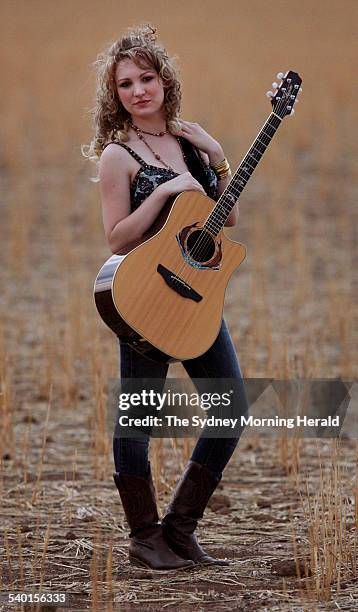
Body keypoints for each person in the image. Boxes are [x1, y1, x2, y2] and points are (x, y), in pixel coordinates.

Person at [84, 24, 249, 571]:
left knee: (231, 410)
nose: (138, 91)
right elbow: (116, 238)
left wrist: (220, 159)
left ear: (163, 80)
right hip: (146, 296)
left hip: (197, 298)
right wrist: (161, 191)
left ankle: (179, 529)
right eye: (125, 83)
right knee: (138, 418)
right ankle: (142, 535)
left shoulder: (189, 143)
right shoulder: (118, 156)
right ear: (117, 95)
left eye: (146, 78)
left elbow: (227, 222)